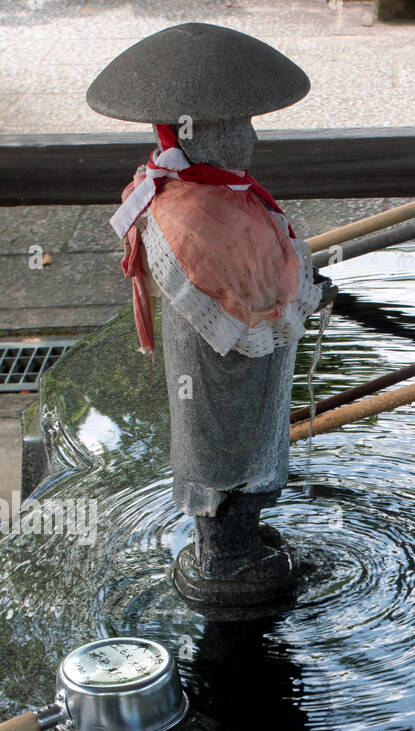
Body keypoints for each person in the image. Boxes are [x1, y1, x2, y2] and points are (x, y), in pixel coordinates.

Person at [87, 23, 322, 605]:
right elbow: (244, 305)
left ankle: (234, 541)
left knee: (248, 450)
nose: (251, 142)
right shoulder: (187, 215)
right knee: (228, 459)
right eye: (237, 129)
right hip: (220, 368)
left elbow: (269, 273)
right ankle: (227, 559)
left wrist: (304, 286)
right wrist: (299, 297)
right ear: (196, 136)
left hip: (242, 365)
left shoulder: (221, 194)